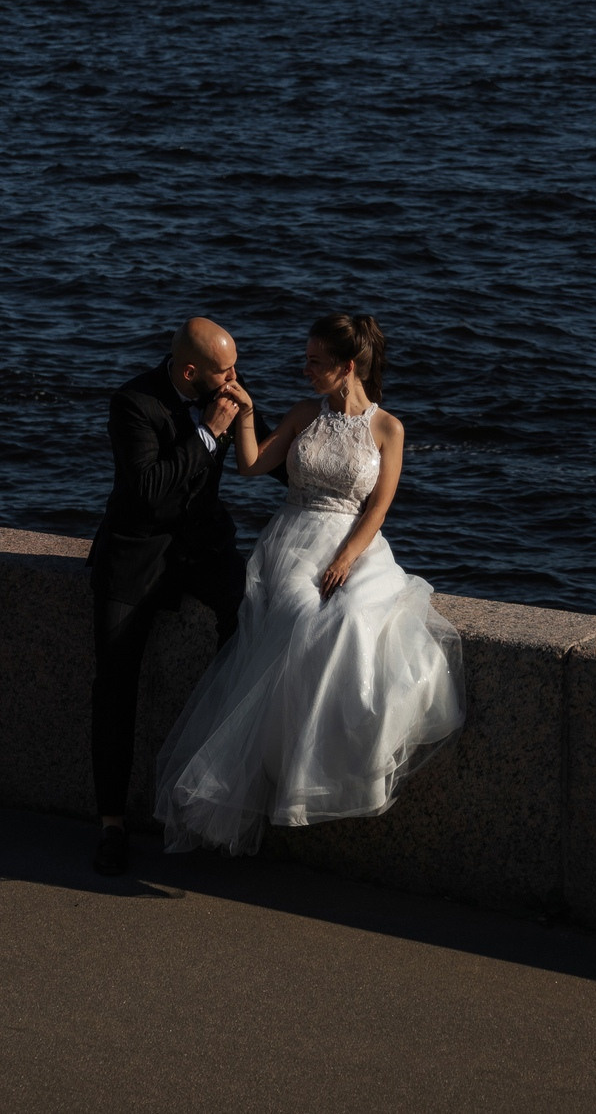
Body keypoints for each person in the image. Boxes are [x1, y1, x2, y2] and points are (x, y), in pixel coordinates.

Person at [152, 313, 465, 856]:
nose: (305, 369)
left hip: (356, 546)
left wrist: (346, 556)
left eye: (315, 362)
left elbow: (380, 506)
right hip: (294, 539)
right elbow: (251, 466)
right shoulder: (304, 414)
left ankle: (340, 764)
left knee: (348, 620)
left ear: (347, 368)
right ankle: (285, 763)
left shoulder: (388, 428)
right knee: (298, 615)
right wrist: (246, 415)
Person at [89, 317, 250, 876]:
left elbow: (274, 461)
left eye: (233, 368)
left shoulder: (226, 394)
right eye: (224, 370)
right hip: (137, 556)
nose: (234, 379)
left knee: (251, 625)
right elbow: (148, 493)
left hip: (204, 551)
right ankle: (111, 822)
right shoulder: (134, 402)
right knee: (114, 683)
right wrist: (207, 433)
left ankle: (226, 796)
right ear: (190, 372)